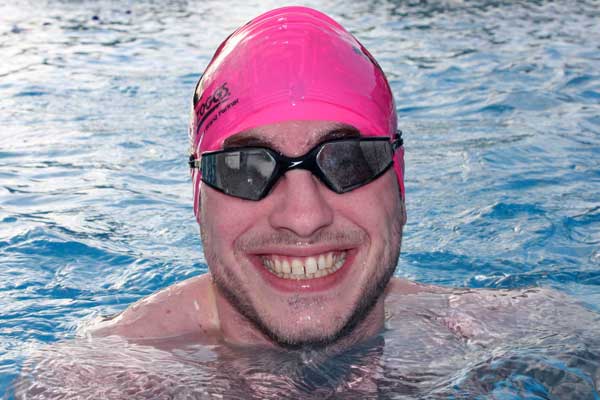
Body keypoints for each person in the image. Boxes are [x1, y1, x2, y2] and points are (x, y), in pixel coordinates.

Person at [90, 6, 428, 349]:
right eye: (245, 169)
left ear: (399, 188)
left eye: (347, 161)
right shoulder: (101, 379)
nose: (303, 219)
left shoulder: (476, 340)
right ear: (199, 200)